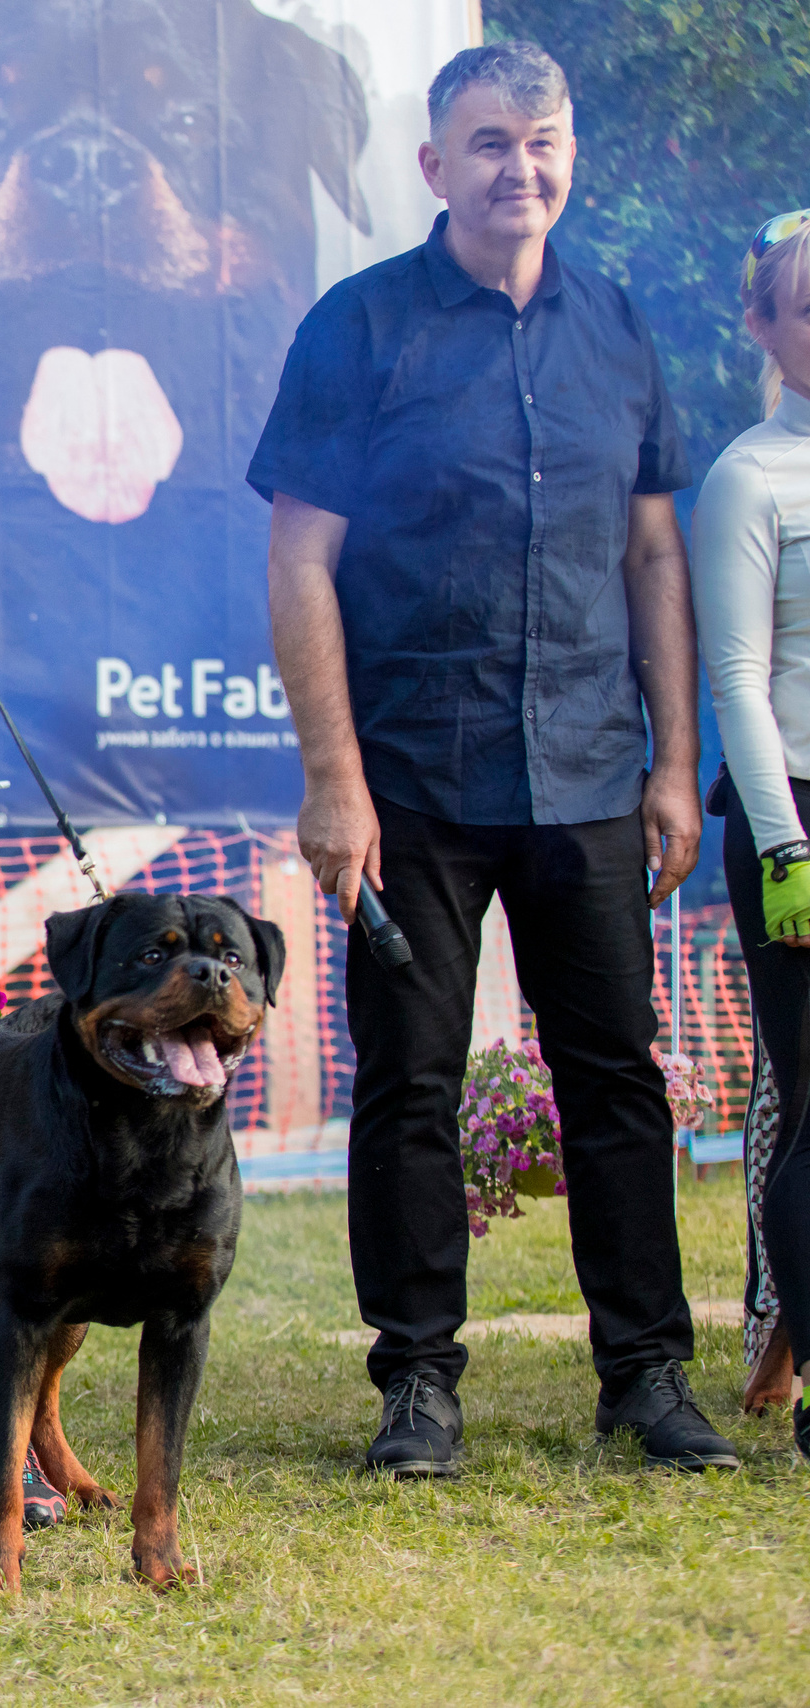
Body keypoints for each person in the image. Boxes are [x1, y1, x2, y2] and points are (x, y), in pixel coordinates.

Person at [251, 41, 735, 1477]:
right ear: (433, 166)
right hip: (410, 782)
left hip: (591, 770)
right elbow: (301, 558)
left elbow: (653, 549)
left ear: (568, 156)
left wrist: (673, 760)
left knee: (618, 1082)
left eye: (541, 143)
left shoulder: (618, 329)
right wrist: (333, 780)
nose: (517, 168)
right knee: (410, 1085)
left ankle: (645, 1376)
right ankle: (418, 1386)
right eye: (487, 145)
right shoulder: (360, 326)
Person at [690, 208, 810, 1454]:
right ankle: (791, 1343)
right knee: (802, 1102)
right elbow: (738, 680)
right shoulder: (749, 473)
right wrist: (783, 847)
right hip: (796, 822)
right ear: (764, 327)